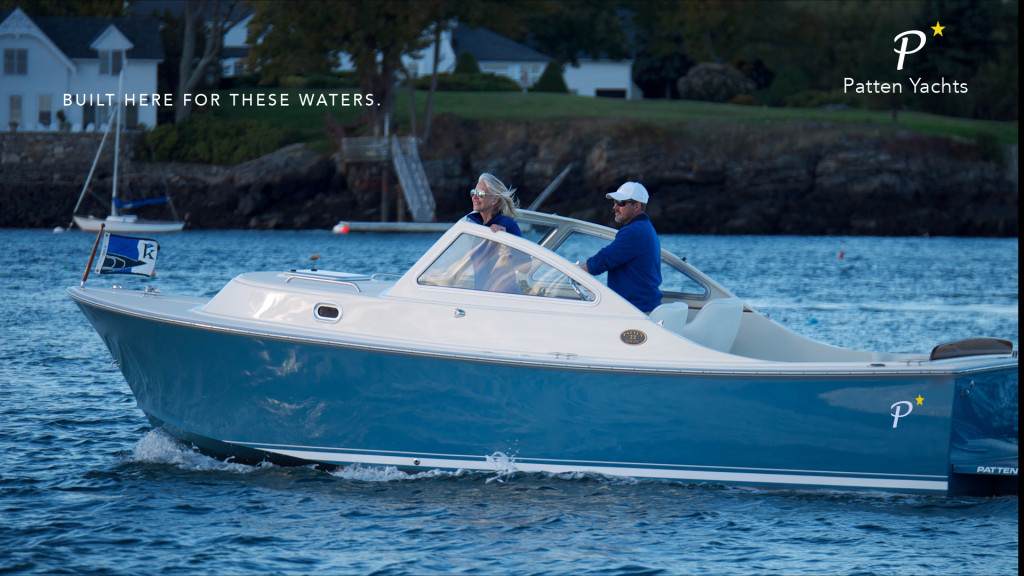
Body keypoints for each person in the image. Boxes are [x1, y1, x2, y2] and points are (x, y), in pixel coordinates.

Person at [580, 182, 663, 313]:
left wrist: (574, 274)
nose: (615, 207)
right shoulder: (645, 228)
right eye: (614, 201)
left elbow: (603, 260)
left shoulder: (634, 232)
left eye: (621, 203)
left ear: (637, 206)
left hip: (635, 311)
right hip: (642, 308)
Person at [465, 173, 523, 292]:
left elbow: (526, 266)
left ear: (494, 200)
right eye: (473, 192)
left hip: (503, 297)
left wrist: (507, 242)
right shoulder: (474, 224)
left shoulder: (507, 224)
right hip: (483, 294)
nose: (475, 197)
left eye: (480, 194)